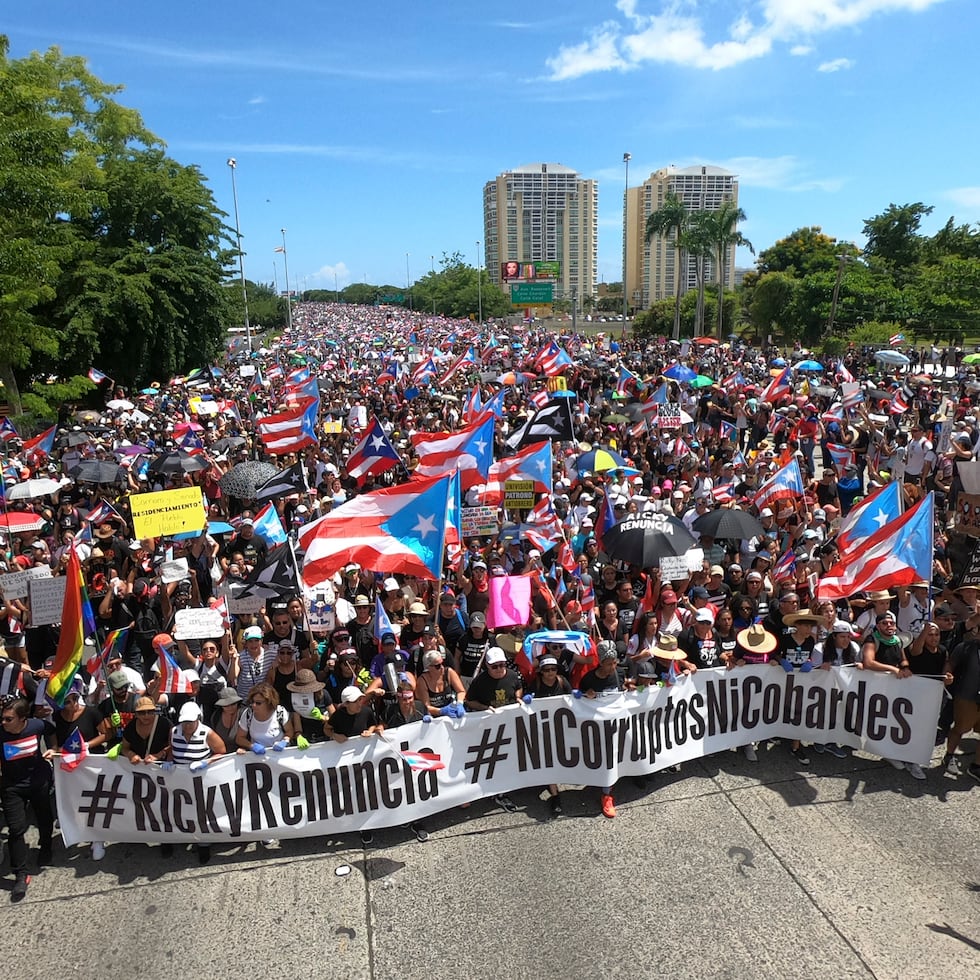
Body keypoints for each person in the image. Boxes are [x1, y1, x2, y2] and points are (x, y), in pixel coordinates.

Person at [0, 698, 55, 900]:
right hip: (12, 787)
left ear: (23, 719)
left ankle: (46, 847)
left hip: (38, 782)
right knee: (16, 829)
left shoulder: (36, 725)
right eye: (2, 718)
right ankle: (21, 875)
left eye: (8, 719)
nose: (4, 723)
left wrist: (53, 747)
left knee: (44, 816)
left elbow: (51, 731)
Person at [169, 701, 225, 863]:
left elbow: (221, 752)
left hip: (201, 780)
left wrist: (205, 763)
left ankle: (203, 843)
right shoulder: (174, 731)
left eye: (190, 722)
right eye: (184, 722)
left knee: (201, 811)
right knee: (181, 809)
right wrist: (170, 762)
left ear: (197, 719)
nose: (186, 726)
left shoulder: (207, 733)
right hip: (180, 780)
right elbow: (171, 749)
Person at [578, 645, 623, 818]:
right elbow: (577, 702)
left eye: (615, 663)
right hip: (597, 727)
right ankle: (606, 794)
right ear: (600, 663)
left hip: (617, 724)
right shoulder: (589, 679)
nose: (613, 667)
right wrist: (584, 696)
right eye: (609, 664)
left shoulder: (618, 674)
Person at [527, 656, 571, 815]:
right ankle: (555, 794)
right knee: (548, 759)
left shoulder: (562, 682)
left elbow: (572, 700)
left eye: (553, 669)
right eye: (546, 670)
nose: (550, 673)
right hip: (542, 729)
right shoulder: (536, 684)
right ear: (541, 672)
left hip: (561, 727)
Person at [942, 626, 980, 780]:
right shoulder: (965, 647)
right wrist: (947, 674)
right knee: (959, 729)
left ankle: (977, 766)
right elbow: (950, 663)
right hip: (967, 697)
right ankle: (949, 755)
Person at [236, 682, 295, 754]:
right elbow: (239, 738)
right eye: (252, 702)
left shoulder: (280, 712)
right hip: (258, 756)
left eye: (258, 703)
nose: (254, 705)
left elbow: (289, 731)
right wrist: (251, 746)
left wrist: (284, 741)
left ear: (269, 702)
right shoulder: (248, 714)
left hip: (279, 755)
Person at [414, 650, 466, 718]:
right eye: (437, 666)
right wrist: (442, 711)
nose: (442, 667)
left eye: (442, 663)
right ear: (428, 667)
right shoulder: (422, 681)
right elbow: (426, 707)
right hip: (436, 718)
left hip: (453, 712)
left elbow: (461, 691)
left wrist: (460, 703)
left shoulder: (449, 672)